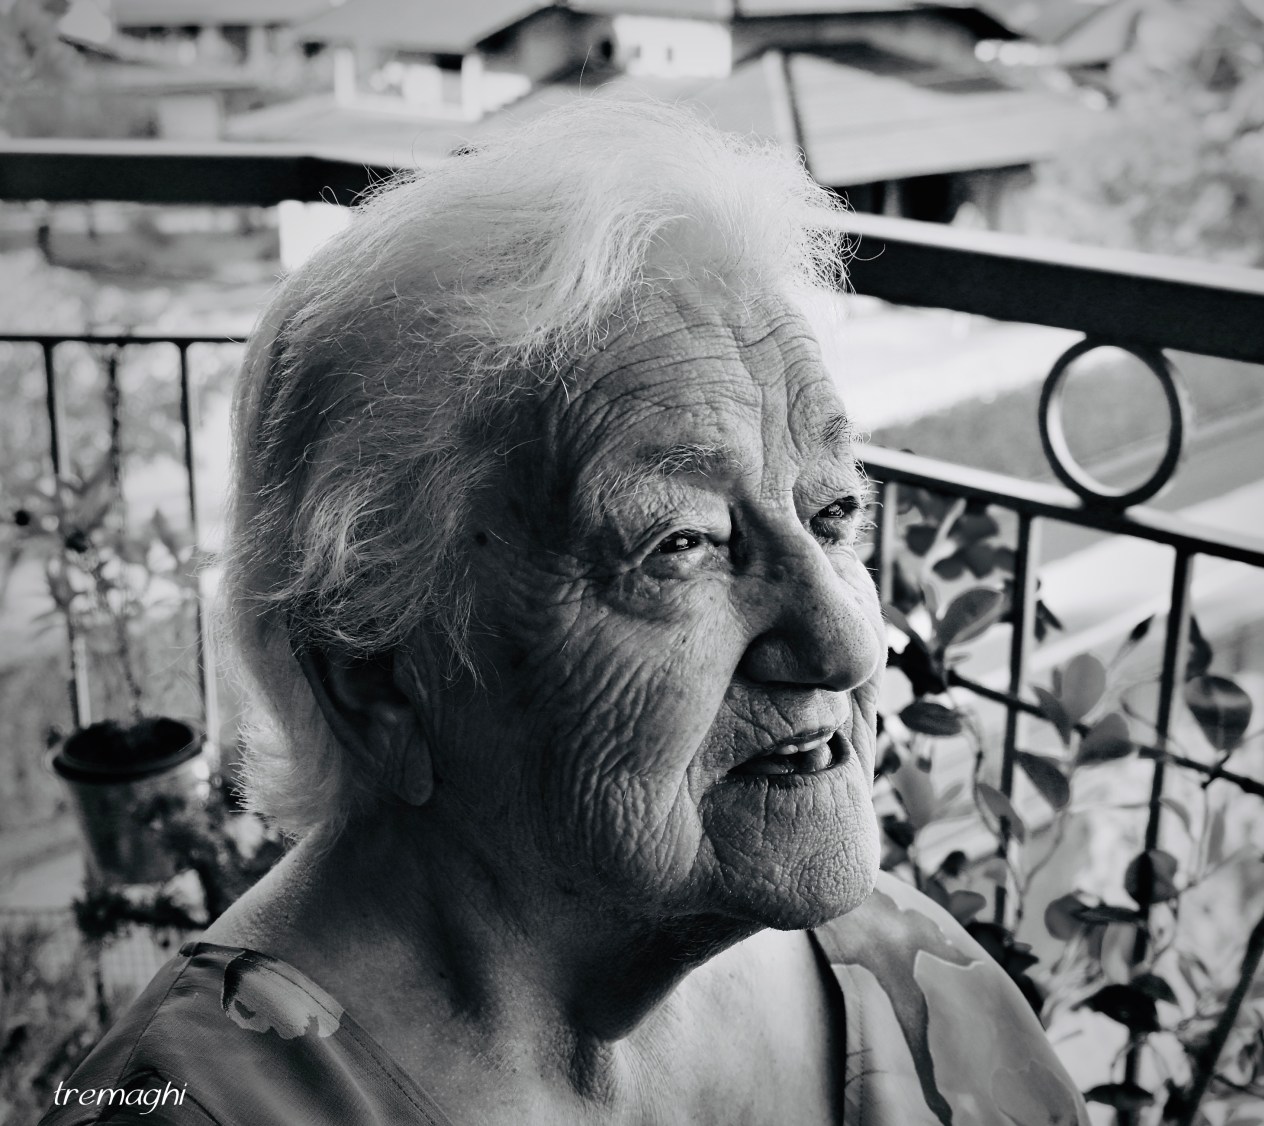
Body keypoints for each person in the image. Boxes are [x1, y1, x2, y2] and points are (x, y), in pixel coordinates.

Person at [42, 100, 1088, 1126]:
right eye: (681, 543)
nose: (847, 643)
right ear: (374, 672)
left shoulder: (916, 990)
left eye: (832, 514)